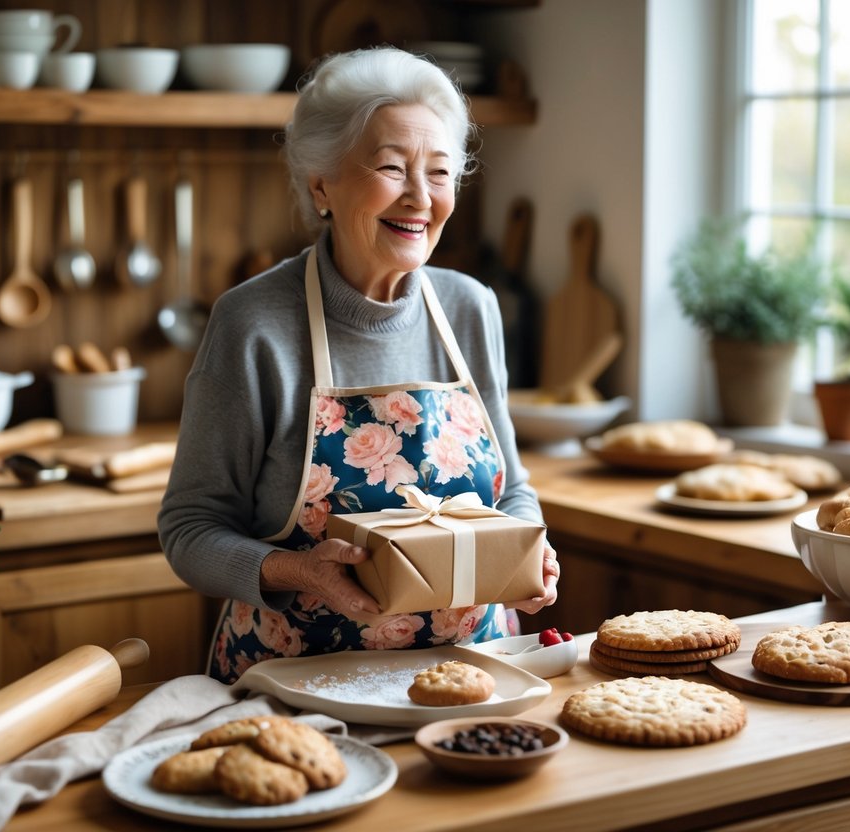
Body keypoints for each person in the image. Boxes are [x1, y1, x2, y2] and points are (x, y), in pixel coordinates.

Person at [158, 46, 560, 683]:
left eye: (439, 172)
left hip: (471, 678)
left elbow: (509, 489)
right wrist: (299, 570)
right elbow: (190, 530)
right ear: (322, 183)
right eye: (393, 168)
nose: (420, 198)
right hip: (299, 692)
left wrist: (529, 550)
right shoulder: (254, 323)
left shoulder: (470, 307)